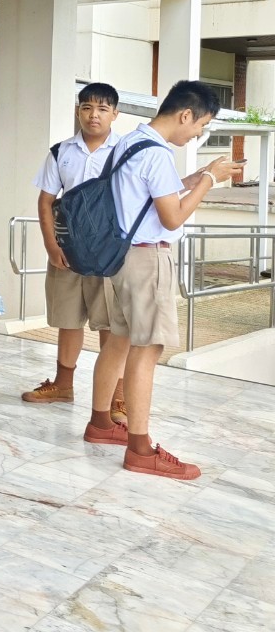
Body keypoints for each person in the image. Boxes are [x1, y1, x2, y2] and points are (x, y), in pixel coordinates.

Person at [85, 80, 236, 480]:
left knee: (119, 341)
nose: (198, 134)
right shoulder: (157, 154)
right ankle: (140, 449)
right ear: (186, 115)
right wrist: (210, 179)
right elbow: (172, 217)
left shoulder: (131, 142)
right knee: (147, 349)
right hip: (147, 259)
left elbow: (147, 195)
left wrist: (196, 177)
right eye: (200, 125)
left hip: (120, 257)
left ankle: (101, 422)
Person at [23, 83, 127, 419]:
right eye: (87, 108)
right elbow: (45, 201)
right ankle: (63, 385)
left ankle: (118, 398)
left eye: (102, 109)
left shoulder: (125, 152)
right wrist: (51, 246)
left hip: (109, 254)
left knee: (111, 324)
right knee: (68, 319)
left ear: (115, 114)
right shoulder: (61, 152)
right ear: (78, 111)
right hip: (67, 251)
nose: (94, 115)